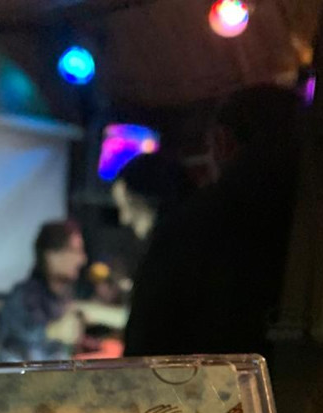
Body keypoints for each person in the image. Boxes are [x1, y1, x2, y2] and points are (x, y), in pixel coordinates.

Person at [124, 85, 303, 358]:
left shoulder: (191, 225)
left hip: (203, 383)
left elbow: (145, 344)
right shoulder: (322, 222)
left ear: (222, 141)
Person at [0, 220, 87, 363]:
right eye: (75, 251)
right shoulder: (22, 296)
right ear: (51, 256)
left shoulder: (64, 296)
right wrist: (55, 330)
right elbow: (20, 334)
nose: (82, 259)